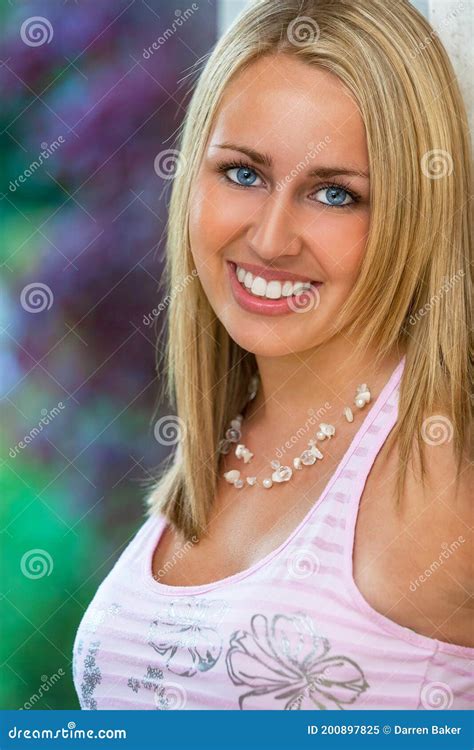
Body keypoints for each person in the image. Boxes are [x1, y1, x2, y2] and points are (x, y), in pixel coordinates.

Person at [73, 0, 472, 710]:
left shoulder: (444, 465)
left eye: (334, 193)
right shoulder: (222, 449)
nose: (272, 238)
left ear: (414, 213)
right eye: (244, 175)